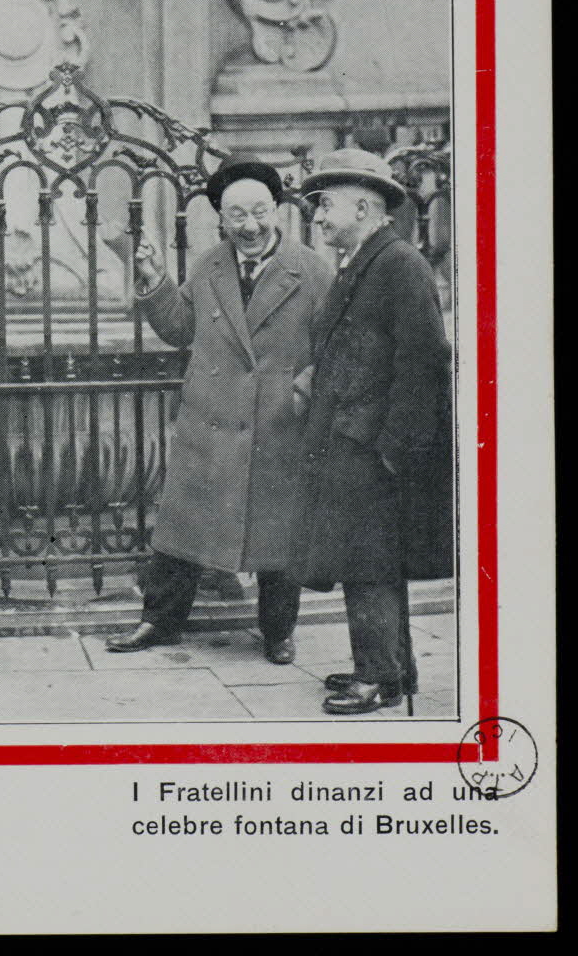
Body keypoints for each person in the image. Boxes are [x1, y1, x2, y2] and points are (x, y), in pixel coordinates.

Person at [107, 157, 333, 662]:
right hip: (210, 421)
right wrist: (152, 278)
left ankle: (279, 631)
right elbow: (180, 329)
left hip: (277, 424)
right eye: (237, 216)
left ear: (277, 211)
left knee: (280, 533)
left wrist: (304, 388)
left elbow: (333, 347)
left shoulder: (313, 271)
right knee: (182, 527)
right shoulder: (210, 264)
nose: (249, 226)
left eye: (259, 212)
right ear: (221, 220)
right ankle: (159, 622)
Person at [289, 148, 454, 713]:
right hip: (354, 438)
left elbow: (424, 358)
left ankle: (379, 677)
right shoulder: (367, 260)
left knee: (371, 563)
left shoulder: (397, 264)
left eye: (324, 206)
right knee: (366, 559)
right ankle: (389, 669)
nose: (316, 218)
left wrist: (395, 449)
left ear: (363, 205)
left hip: (373, 446)